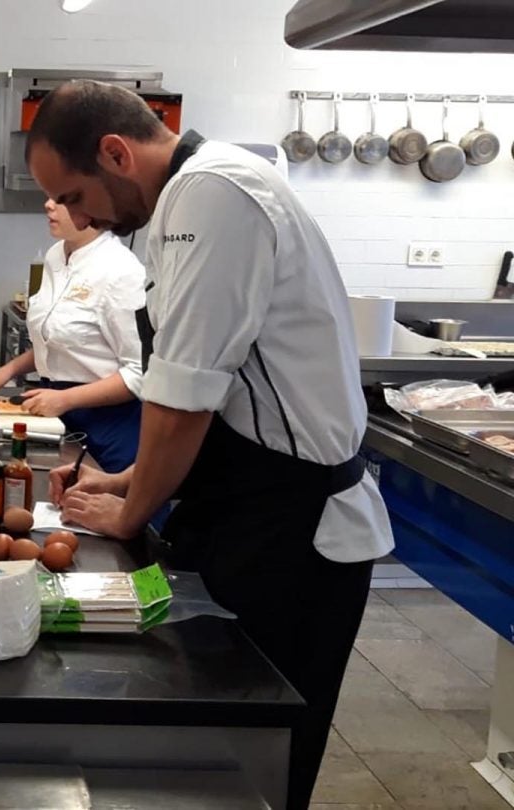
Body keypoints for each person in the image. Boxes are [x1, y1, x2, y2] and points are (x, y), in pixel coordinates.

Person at [27, 80, 394, 810]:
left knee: (251, 761)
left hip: (292, 538)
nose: (73, 216)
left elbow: (183, 395)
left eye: (72, 195)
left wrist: (132, 514)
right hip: (241, 511)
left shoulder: (213, 194)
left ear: (115, 153)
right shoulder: (186, 201)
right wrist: (133, 478)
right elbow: (221, 386)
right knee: (195, 746)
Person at [0, 197, 144, 472]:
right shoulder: (56, 255)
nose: (48, 205)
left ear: (96, 205)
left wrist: (66, 399)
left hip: (109, 425)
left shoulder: (121, 271)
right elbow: (59, 340)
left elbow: (140, 373)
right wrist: (9, 369)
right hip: (58, 413)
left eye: (62, 198)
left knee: (106, 507)